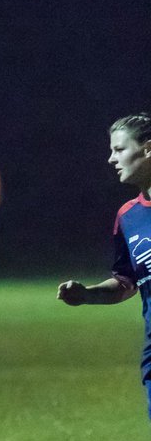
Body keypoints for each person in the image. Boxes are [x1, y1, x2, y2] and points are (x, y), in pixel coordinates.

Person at [59, 113, 151, 419]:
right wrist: (87, 294)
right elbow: (126, 281)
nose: (111, 159)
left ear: (147, 149)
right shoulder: (128, 216)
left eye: (120, 149)